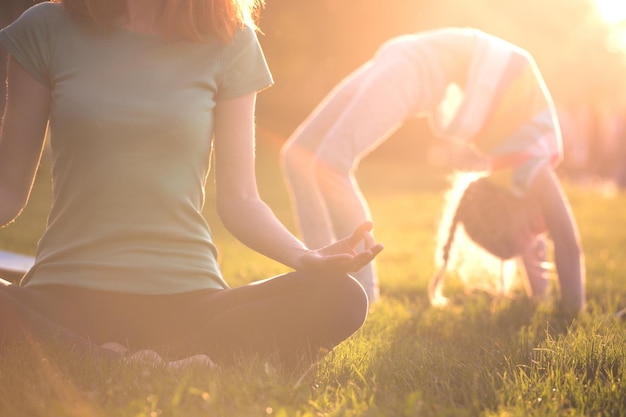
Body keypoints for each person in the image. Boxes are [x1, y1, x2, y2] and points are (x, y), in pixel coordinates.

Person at [0, 0, 384, 367]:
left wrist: (305, 257)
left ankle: (91, 357)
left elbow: (242, 199)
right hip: (62, 294)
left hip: (185, 301)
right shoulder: (45, 28)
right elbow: (8, 191)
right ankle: (149, 363)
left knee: (341, 297)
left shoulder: (230, 41)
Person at [280, 27, 585, 313]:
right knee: (308, 158)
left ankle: (325, 281)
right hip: (409, 61)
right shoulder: (532, 164)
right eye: (532, 230)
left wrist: (539, 299)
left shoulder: (512, 167)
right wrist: (573, 311)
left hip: (409, 60)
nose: (541, 231)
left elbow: (531, 246)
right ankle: (363, 295)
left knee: (315, 159)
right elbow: (567, 243)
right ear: (509, 207)